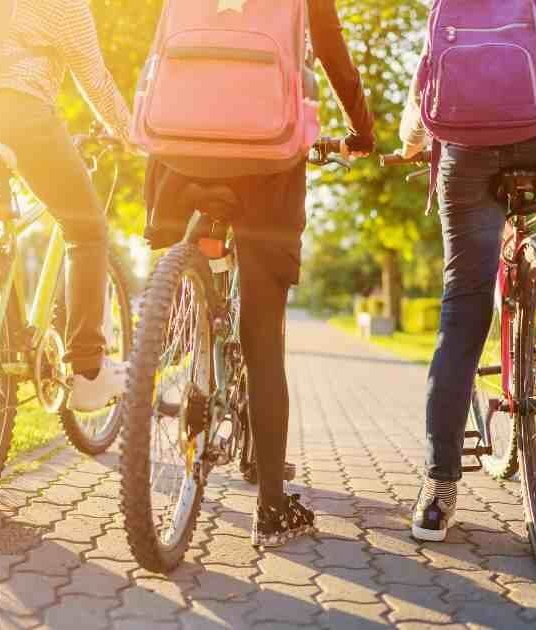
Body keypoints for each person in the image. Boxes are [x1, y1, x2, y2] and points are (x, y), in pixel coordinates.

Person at [144, 0, 376, 548]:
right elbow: (335, 56)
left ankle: (179, 322)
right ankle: (271, 506)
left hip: (180, 150)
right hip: (268, 158)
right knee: (264, 336)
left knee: (176, 268)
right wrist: (360, 130)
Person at [396, 0, 536, 542]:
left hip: (467, 143)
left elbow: (432, 61)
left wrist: (413, 140)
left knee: (463, 311)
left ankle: (438, 489)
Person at [0, 0, 134, 413]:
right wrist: (136, 135)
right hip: (19, 113)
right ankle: (88, 373)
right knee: (87, 229)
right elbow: (95, 79)